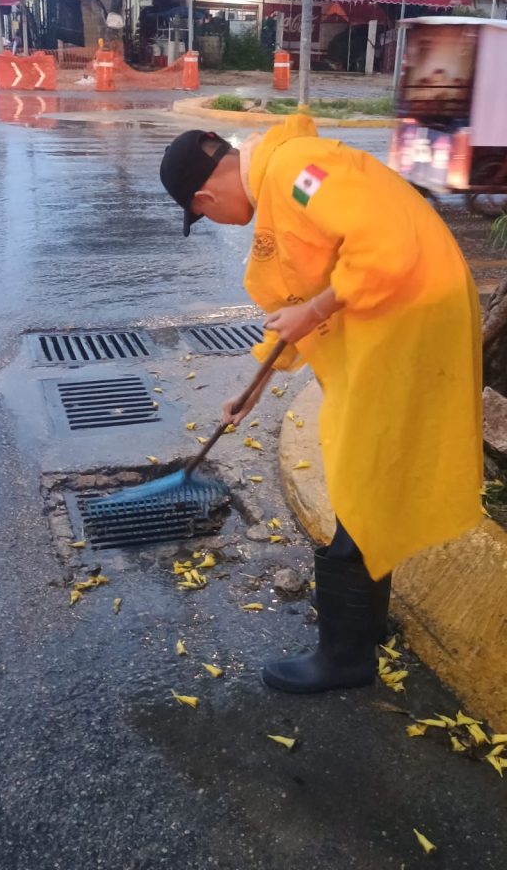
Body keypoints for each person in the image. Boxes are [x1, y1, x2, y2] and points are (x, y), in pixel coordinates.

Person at [159, 116, 482, 694]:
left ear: (204, 197)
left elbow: (383, 245)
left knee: (361, 476)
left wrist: (313, 312)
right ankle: (363, 626)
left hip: (409, 322)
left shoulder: (298, 173)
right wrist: (254, 387)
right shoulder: (284, 181)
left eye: (202, 214)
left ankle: (345, 659)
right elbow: (304, 289)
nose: (215, 220)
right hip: (398, 321)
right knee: (370, 474)